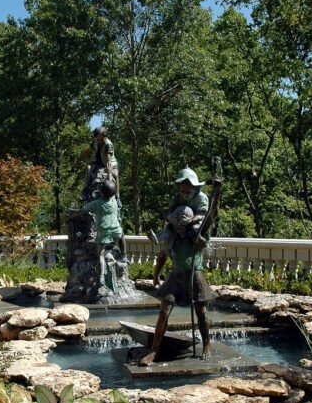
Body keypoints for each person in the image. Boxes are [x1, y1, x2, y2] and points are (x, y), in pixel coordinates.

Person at [139, 204, 217, 366]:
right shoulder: (171, 237)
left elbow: (212, 216)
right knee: (164, 310)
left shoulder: (197, 234)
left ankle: (206, 344)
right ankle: (154, 350)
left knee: (200, 312)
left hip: (194, 275)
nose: (179, 228)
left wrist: (216, 198)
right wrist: (156, 275)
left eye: (182, 225)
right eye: (176, 225)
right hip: (176, 276)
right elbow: (162, 256)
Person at [83, 179, 125, 286]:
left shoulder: (97, 203)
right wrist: (111, 174)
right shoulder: (114, 201)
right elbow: (113, 188)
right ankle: (123, 254)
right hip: (115, 230)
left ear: (101, 192)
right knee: (121, 234)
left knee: (100, 254)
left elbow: (85, 209)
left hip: (103, 232)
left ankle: (101, 275)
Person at [82, 126, 120, 203]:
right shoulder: (95, 142)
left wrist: (110, 177)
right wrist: (83, 155)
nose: (99, 141)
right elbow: (89, 150)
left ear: (105, 137)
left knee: (115, 175)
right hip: (99, 162)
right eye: (98, 139)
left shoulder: (108, 145)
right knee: (89, 168)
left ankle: (117, 196)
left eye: (101, 139)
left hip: (110, 164)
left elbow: (108, 162)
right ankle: (86, 191)